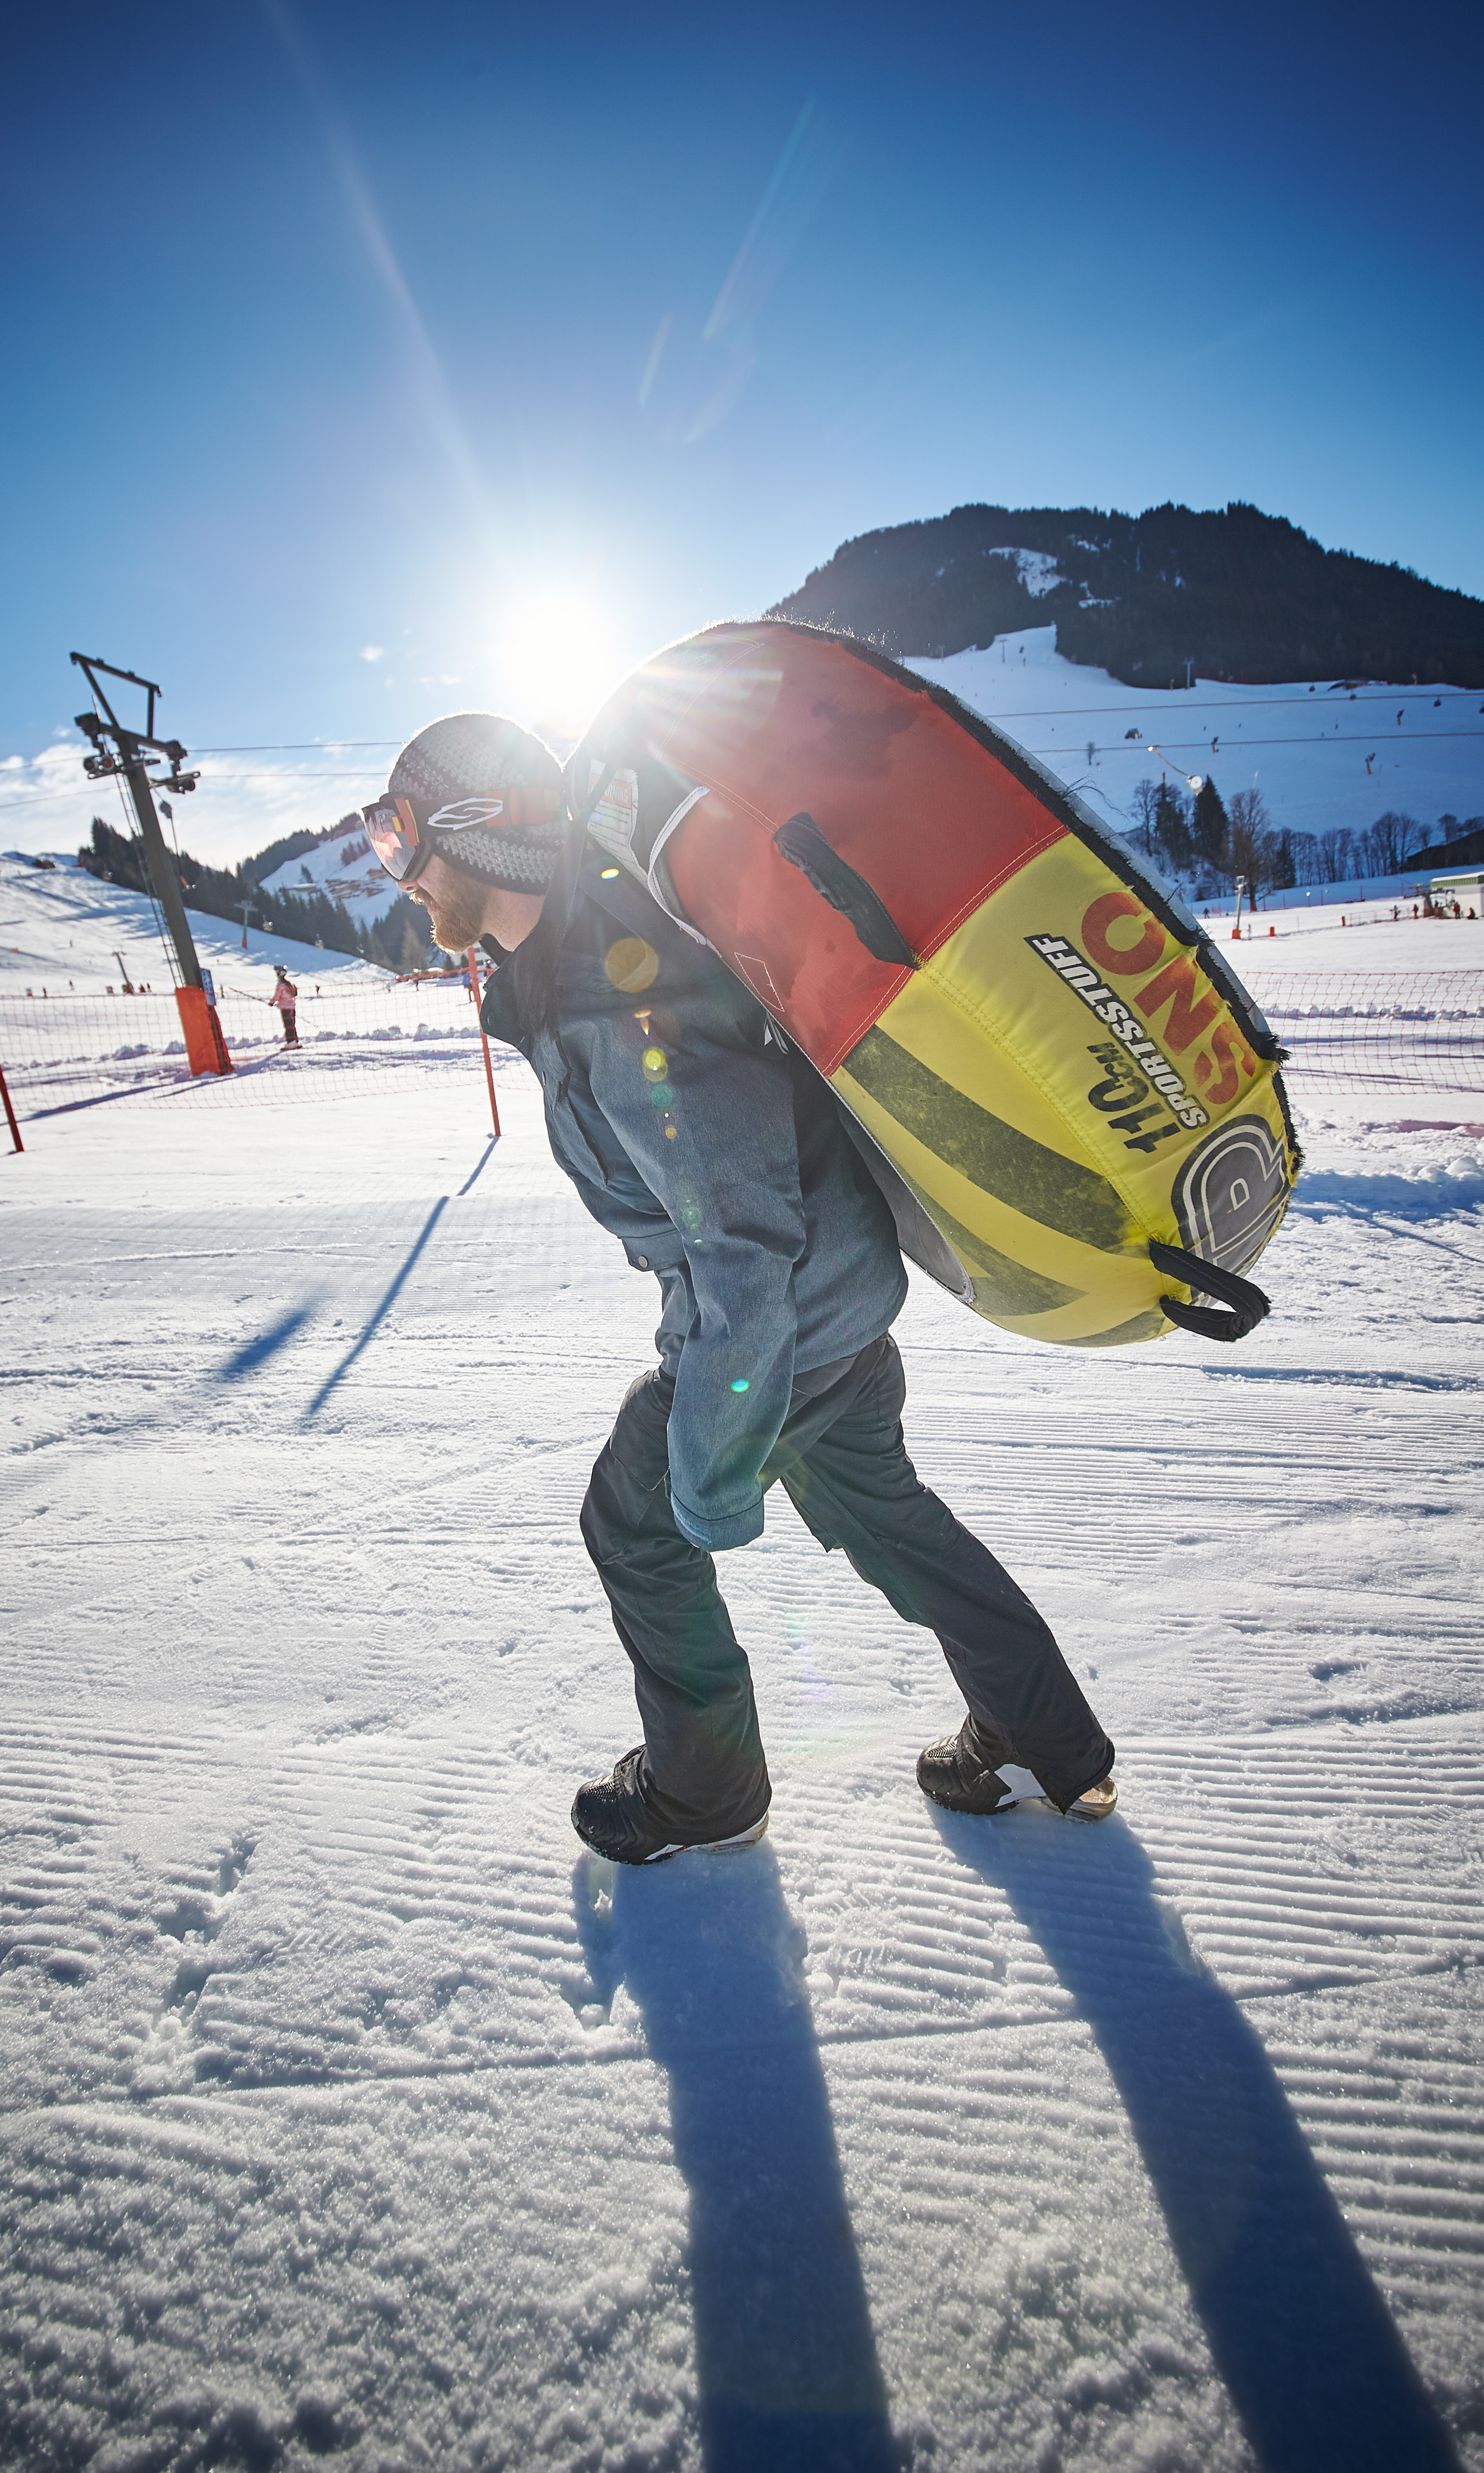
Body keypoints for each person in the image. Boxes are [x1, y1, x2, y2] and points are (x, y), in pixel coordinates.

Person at [364, 714, 1117, 1865]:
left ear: (484, 831)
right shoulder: (582, 953)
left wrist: (708, 1470)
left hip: (783, 1323)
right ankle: (1045, 1736)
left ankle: (705, 1790)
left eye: (400, 836)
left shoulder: (609, 986)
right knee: (893, 1521)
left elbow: (742, 1240)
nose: (399, 875)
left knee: (633, 1519)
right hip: (841, 1305)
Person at [271, 965, 299, 1045]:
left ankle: (291, 1043)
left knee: (287, 1025)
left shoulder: (280, 984)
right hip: (292, 1008)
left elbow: (277, 996)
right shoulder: (288, 983)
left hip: (285, 1009)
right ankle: (295, 1041)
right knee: (292, 1025)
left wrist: (271, 1002)